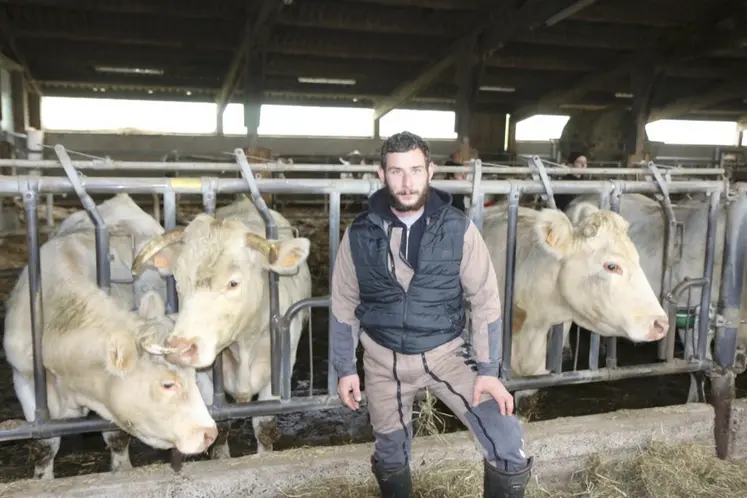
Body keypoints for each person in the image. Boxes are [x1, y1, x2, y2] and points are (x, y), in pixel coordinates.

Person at [329, 131, 533, 498]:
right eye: (396, 172)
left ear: (431, 171)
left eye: (415, 170)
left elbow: (485, 301)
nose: (406, 183)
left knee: (507, 441)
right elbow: (344, 304)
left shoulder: (459, 229)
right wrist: (345, 368)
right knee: (390, 454)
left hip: (446, 354)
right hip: (382, 360)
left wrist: (489, 371)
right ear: (381, 174)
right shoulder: (358, 234)